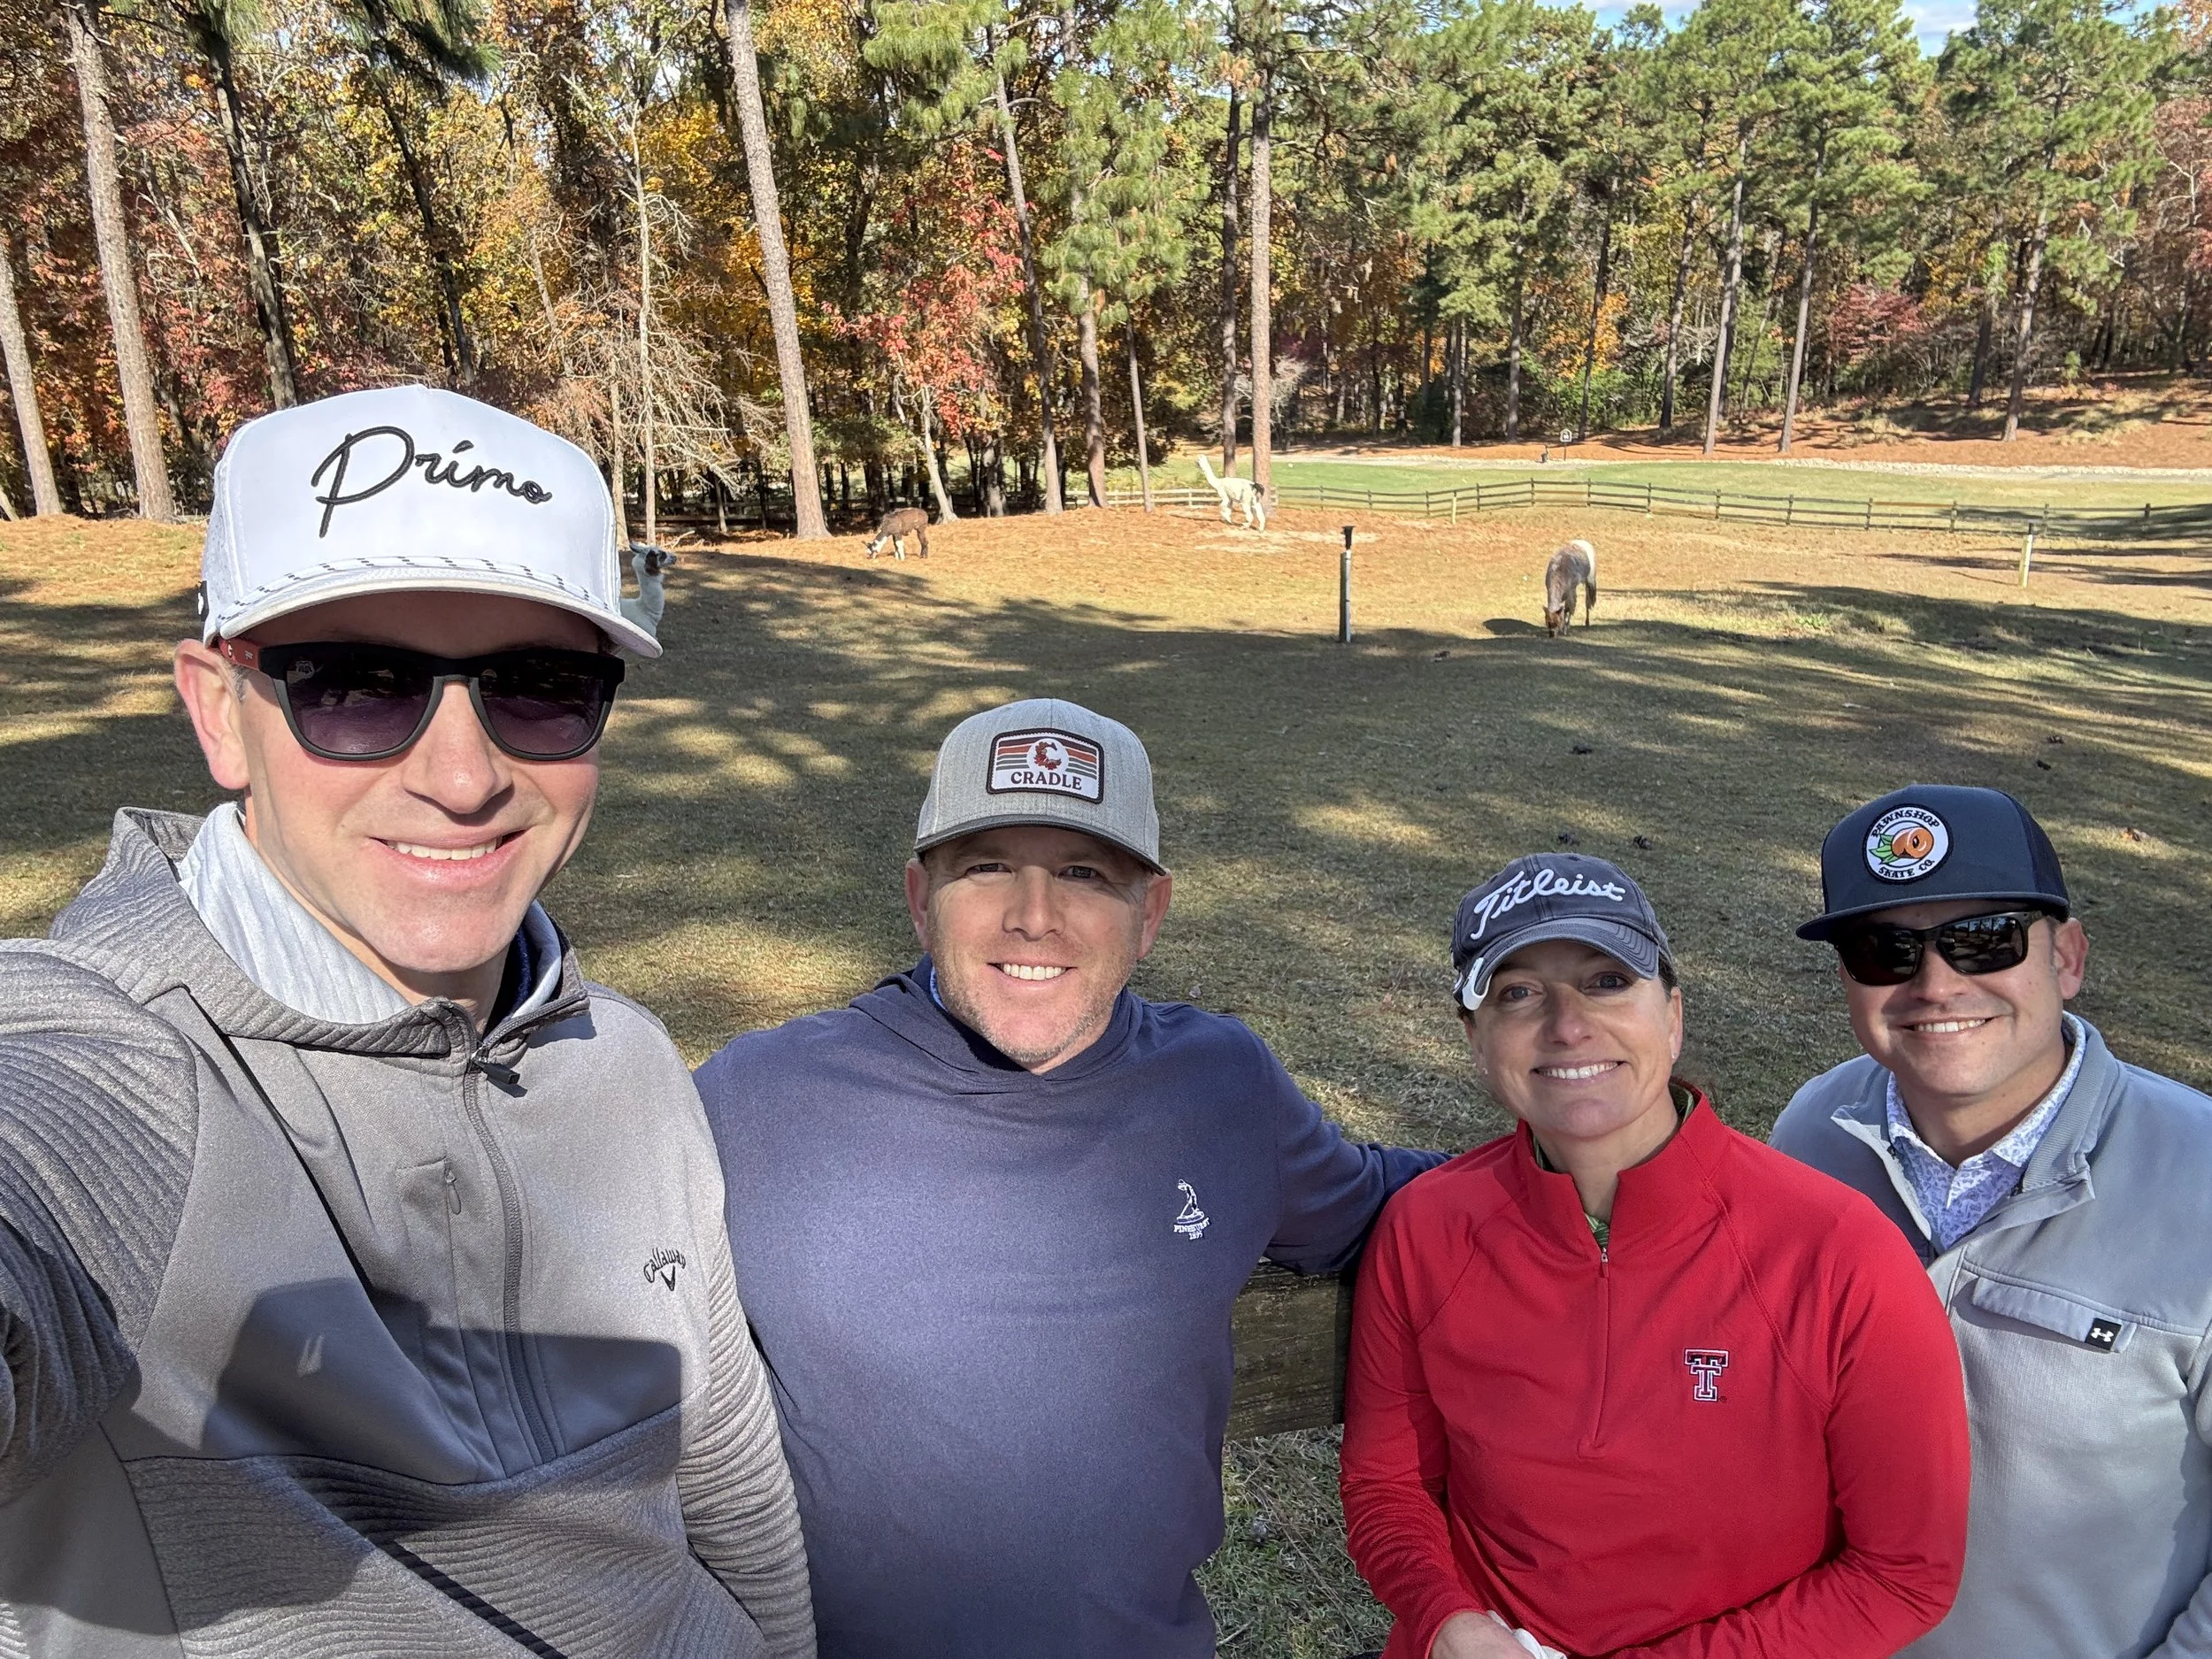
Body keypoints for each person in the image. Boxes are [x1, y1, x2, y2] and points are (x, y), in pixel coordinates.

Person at [0, 386, 813, 1656]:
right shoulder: (112, 1062)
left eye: (540, 686)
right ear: (222, 709)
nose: (464, 772)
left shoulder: (631, 1060)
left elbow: (721, 1473)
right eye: (360, 686)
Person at [693, 697, 1442, 1658]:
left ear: (1151, 915)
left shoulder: (1221, 1088)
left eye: (1085, 874)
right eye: (988, 866)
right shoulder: (759, 1099)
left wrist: (1604, 1165)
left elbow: (1398, 1203)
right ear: (921, 900)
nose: (1034, 917)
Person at [1340, 853, 1971, 1659]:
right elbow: (1386, 1484)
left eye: (1607, 981)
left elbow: (1905, 1571)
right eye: (1518, 992)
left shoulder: (1839, 1254)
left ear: (1672, 1014)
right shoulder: (1426, 1227)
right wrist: (1446, 1621)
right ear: (1475, 1036)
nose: (1567, 1024)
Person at [1771, 784, 2212, 1658]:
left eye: (1984, 940)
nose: (1935, 985)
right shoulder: (1812, 1135)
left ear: (2069, 958)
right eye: (1883, 949)